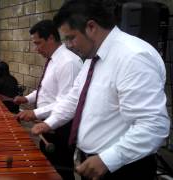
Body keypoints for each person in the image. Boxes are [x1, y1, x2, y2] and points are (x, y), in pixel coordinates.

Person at [32, 0, 170, 180]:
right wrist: (50, 122)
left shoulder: (134, 57)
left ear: (91, 27)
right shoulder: (91, 57)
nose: (69, 45)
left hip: (123, 169)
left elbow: (153, 126)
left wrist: (108, 159)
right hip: (95, 163)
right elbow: (75, 98)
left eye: (71, 37)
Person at [13, 20, 82, 180]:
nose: (36, 49)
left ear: (51, 38)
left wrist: (35, 113)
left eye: (38, 43)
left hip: (60, 128)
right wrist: (26, 98)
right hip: (46, 127)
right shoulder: (53, 60)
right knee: (48, 169)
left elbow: (67, 102)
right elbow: (46, 90)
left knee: (60, 173)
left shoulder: (68, 62)